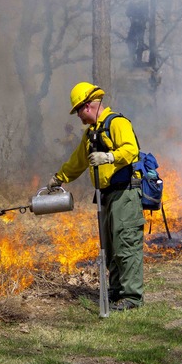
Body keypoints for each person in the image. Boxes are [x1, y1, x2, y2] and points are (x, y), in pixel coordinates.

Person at [47, 82, 146, 311]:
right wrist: (59, 178)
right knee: (110, 246)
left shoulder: (117, 123)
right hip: (106, 195)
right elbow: (78, 161)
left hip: (126, 193)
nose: (79, 117)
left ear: (89, 105)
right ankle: (115, 292)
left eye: (79, 111)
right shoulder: (92, 133)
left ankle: (131, 297)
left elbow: (131, 149)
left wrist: (109, 158)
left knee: (125, 243)